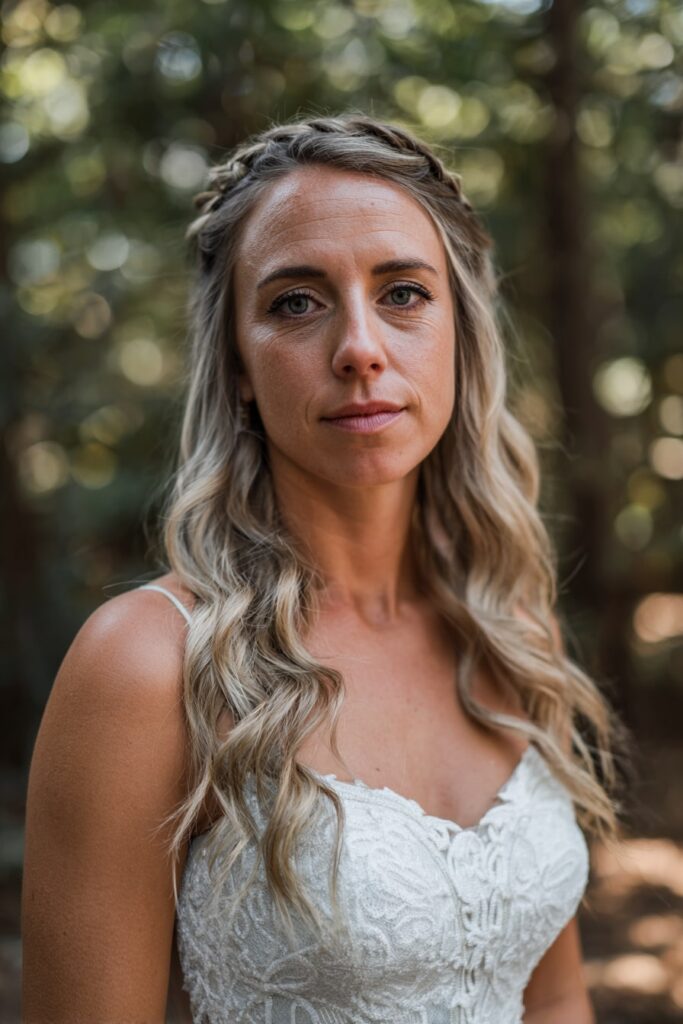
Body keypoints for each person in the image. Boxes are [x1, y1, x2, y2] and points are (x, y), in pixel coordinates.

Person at [22, 113, 625, 1024]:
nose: (359, 348)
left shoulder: (506, 628)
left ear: (457, 333)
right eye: (295, 302)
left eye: (404, 294)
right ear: (236, 366)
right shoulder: (145, 666)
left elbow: (555, 996)